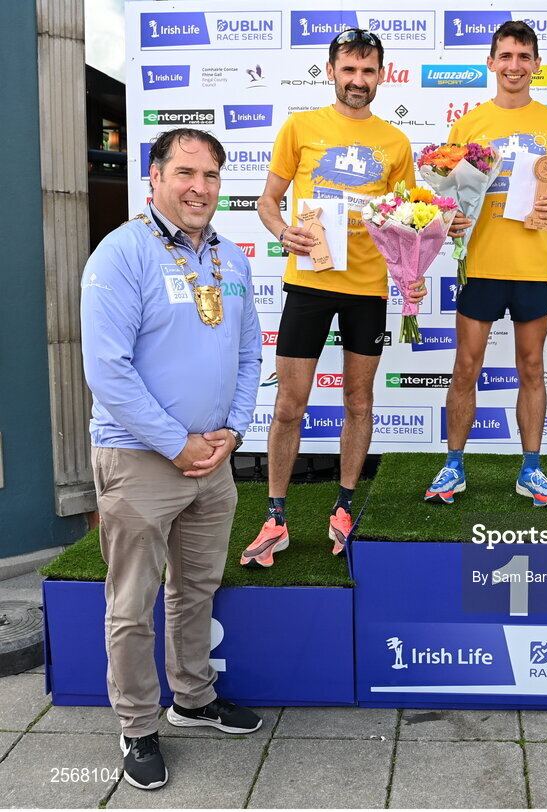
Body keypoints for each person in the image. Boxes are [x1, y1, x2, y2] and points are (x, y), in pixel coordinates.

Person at [80, 128, 263, 790]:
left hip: (213, 460)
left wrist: (232, 432)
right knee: (132, 602)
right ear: (154, 178)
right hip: (140, 459)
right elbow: (108, 369)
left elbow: (248, 355)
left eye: (211, 175)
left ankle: (193, 697)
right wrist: (176, 441)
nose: (200, 187)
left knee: (196, 588)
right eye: (186, 172)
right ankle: (136, 727)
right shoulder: (122, 253)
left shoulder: (232, 258)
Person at [243, 29, 417, 567]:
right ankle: (275, 516)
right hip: (309, 283)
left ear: (382, 75)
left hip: (367, 287)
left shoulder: (396, 143)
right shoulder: (300, 127)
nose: (358, 81)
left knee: (358, 403)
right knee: (289, 405)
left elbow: (409, 219)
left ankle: (343, 508)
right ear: (331, 71)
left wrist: (414, 263)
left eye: (368, 72)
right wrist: (280, 232)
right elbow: (269, 200)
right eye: (349, 70)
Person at [424, 20, 547, 507]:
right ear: (491, 62)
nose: (515, 66)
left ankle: (530, 469)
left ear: (536, 64)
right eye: (506, 56)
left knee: (532, 367)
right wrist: (447, 220)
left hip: (533, 264)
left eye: (524, 56)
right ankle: (453, 467)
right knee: (465, 367)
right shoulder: (469, 124)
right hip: (481, 262)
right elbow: (450, 194)